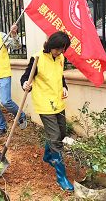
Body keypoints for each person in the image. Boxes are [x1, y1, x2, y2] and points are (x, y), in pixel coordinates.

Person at [20, 31, 74, 191]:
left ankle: (47, 155)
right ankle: (61, 176)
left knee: (62, 133)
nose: (59, 52)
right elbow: (25, 77)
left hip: (58, 101)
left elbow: (60, 77)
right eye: (57, 49)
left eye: (62, 50)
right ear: (51, 45)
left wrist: (64, 87)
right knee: (56, 138)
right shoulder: (37, 58)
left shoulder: (60, 58)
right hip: (44, 103)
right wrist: (25, 85)